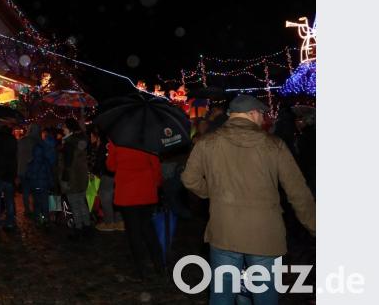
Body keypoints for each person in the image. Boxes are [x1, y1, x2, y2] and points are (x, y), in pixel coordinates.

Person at [182, 95, 315, 304]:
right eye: (261, 114)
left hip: (224, 230)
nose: (263, 119)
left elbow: (189, 179)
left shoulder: (207, 142)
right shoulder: (274, 145)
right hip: (264, 234)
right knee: (264, 294)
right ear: (253, 114)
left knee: (222, 294)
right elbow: (298, 192)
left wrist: (212, 192)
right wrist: (314, 226)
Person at [106, 137, 163, 279]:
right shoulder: (147, 138)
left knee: (133, 232)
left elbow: (111, 166)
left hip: (127, 194)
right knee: (148, 229)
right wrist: (156, 184)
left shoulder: (116, 139)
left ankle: (140, 269)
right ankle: (159, 266)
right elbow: (155, 165)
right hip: (146, 191)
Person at [58, 118, 91, 237]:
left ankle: (78, 229)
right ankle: (87, 226)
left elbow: (67, 165)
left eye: (64, 127)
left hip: (72, 179)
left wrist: (65, 181)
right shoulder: (81, 141)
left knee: (75, 204)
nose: (62, 129)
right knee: (82, 203)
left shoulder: (69, 144)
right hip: (81, 178)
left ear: (69, 129)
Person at [26, 127, 57, 226]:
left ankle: (39, 219)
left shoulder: (40, 147)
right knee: (46, 199)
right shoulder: (53, 147)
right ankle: (48, 218)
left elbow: (37, 163)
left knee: (38, 200)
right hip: (48, 177)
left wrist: (30, 174)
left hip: (39, 177)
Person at [16, 123, 39, 217]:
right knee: (35, 191)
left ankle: (27, 209)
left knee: (25, 190)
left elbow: (17, 155)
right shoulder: (37, 141)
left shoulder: (22, 141)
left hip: (22, 169)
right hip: (33, 170)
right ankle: (36, 210)